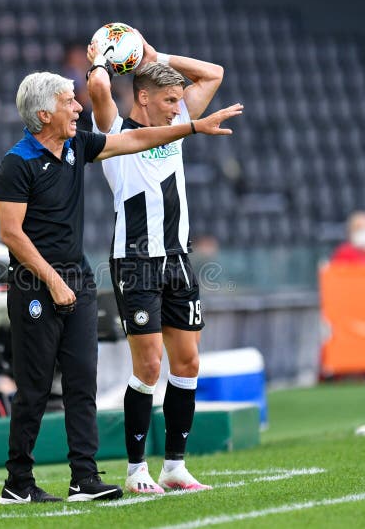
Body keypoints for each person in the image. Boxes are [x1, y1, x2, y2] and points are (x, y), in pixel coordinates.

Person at [0, 71, 242, 503]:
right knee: (34, 388)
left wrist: (193, 127)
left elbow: (133, 142)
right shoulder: (17, 163)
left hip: (79, 281)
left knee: (81, 384)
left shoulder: (75, 146)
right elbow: (12, 234)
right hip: (34, 284)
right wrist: (53, 283)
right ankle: (17, 482)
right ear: (43, 113)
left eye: (76, 100)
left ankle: (83, 478)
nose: (78, 109)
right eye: (69, 102)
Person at [87, 31, 226, 493]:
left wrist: (156, 55)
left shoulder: (177, 120)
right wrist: (100, 62)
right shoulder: (114, 132)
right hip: (136, 261)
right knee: (148, 366)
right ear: (142, 97)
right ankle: (135, 469)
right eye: (168, 99)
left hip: (178, 260)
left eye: (178, 100)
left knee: (186, 364)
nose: (177, 106)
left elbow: (214, 73)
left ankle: (175, 466)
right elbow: (100, 92)